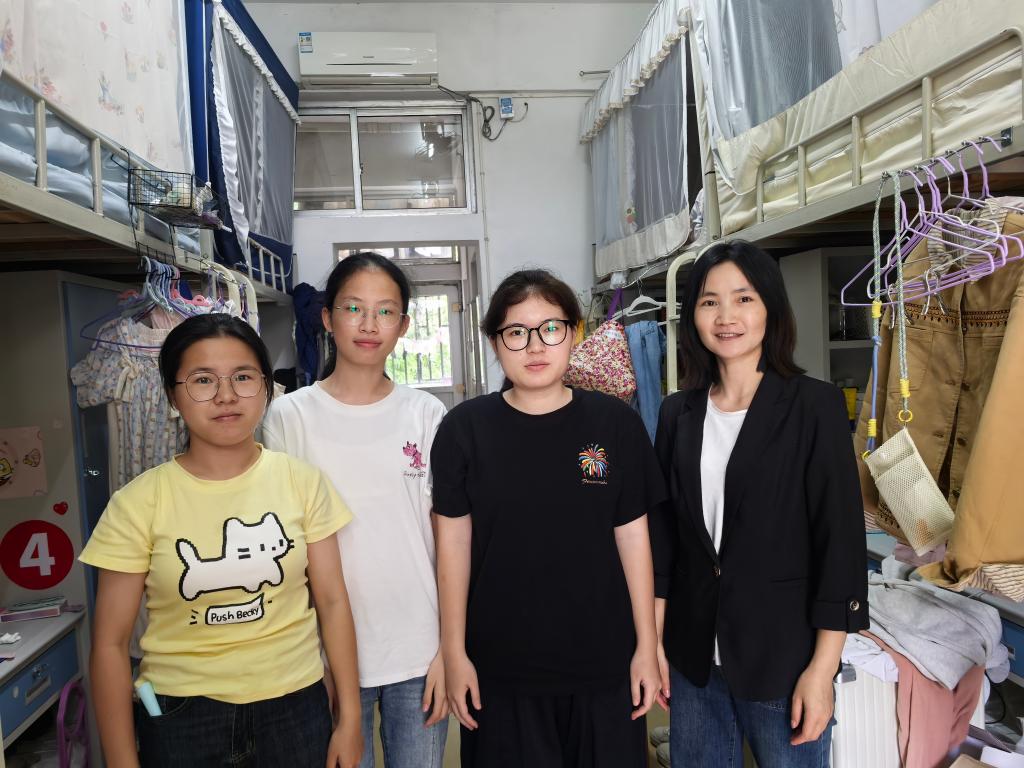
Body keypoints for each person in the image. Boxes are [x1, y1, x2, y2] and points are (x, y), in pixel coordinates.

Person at [83, 314, 362, 768]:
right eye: (203, 380)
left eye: (243, 377)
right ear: (173, 395)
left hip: (295, 706)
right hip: (179, 714)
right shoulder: (136, 503)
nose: (226, 395)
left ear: (266, 387)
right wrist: (120, 760)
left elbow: (332, 603)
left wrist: (350, 718)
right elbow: (110, 645)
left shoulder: (303, 483)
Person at [432, 268, 665, 768]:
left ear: (574, 333)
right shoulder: (463, 430)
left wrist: (647, 646)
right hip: (501, 667)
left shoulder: (614, 423)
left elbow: (634, 540)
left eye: (551, 329)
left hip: (604, 664)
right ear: (495, 342)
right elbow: (452, 548)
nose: (535, 346)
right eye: (517, 332)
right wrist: (454, 651)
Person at [651, 240, 868, 767]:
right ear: (693, 316)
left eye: (743, 299)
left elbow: (839, 543)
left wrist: (822, 670)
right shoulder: (677, 413)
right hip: (693, 658)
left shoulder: (813, 405)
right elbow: (664, 543)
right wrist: (654, 643)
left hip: (783, 659)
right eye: (709, 302)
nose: (726, 317)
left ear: (770, 308)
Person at [263, 253, 449, 768]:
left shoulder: (427, 414)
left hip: (420, 650)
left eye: (385, 311)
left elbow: (448, 538)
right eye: (354, 308)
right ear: (327, 317)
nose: (369, 325)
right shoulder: (289, 415)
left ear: (404, 325)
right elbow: (283, 544)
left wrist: (449, 648)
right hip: (324, 655)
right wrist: (310, 656)